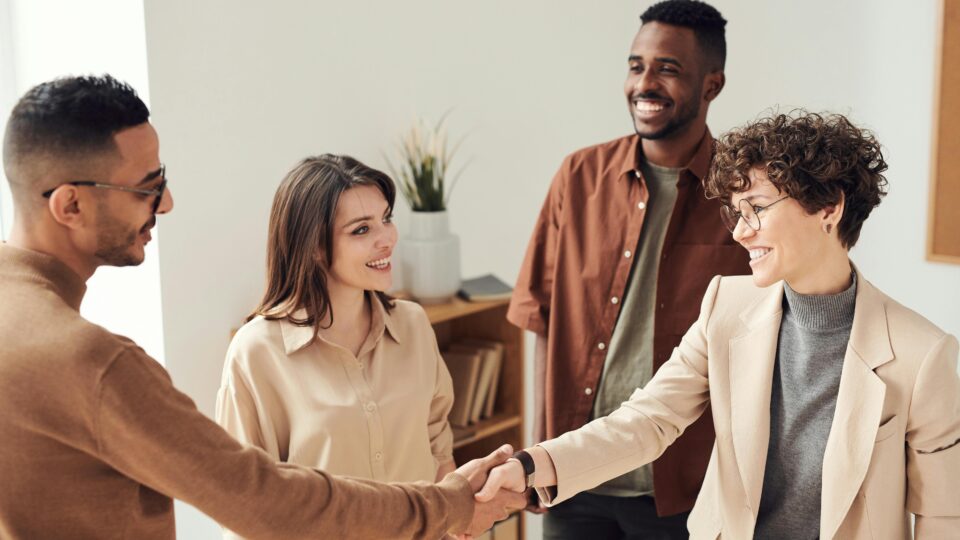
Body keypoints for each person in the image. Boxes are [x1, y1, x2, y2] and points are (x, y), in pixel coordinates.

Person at [0, 74, 525, 539]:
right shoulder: (92, 362)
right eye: (147, 187)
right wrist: (448, 504)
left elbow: (435, 435)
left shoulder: (410, 324)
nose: (167, 203)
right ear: (69, 204)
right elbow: (257, 500)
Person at [480, 111, 960, 538]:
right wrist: (531, 464)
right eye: (737, 211)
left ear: (829, 208)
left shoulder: (922, 353)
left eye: (758, 207)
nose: (739, 230)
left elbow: (943, 515)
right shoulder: (725, 307)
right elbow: (648, 420)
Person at [507, 1, 749, 537]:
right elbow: (543, 322)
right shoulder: (577, 176)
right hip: (572, 481)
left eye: (667, 68)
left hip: (685, 490)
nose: (645, 83)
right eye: (636, 66)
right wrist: (538, 454)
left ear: (712, 85)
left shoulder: (742, 197)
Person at [216, 155, 457, 519]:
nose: (386, 239)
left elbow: (439, 450)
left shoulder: (413, 325)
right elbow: (243, 501)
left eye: (386, 219)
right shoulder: (256, 352)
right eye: (362, 230)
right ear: (314, 246)